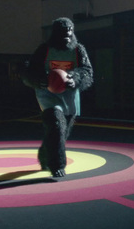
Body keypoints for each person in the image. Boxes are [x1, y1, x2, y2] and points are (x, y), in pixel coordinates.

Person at [22, 17, 93, 177]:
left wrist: (75, 78)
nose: (67, 35)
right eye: (63, 33)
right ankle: (57, 164)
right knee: (55, 124)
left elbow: (87, 72)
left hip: (69, 95)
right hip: (48, 94)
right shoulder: (44, 49)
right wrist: (36, 79)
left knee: (62, 133)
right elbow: (29, 70)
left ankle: (44, 154)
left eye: (70, 32)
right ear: (55, 34)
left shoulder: (78, 50)